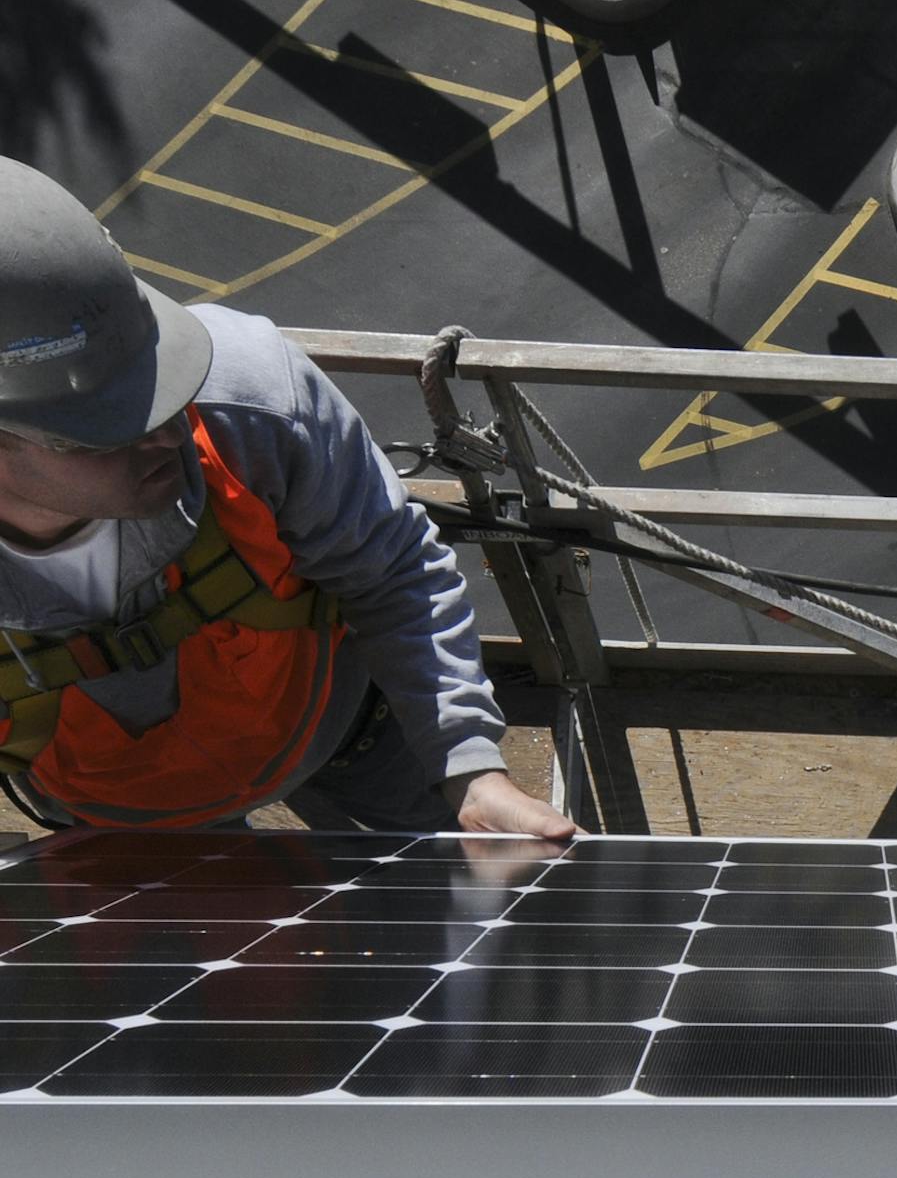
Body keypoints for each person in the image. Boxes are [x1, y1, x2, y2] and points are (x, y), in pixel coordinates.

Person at [0, 156, 573, 838]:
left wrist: (471, 770)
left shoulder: (248, 400)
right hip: (134, 826)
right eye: (108, 429)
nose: (169, 430)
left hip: (344, 730)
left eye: (159, 382)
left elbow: (394, 570)